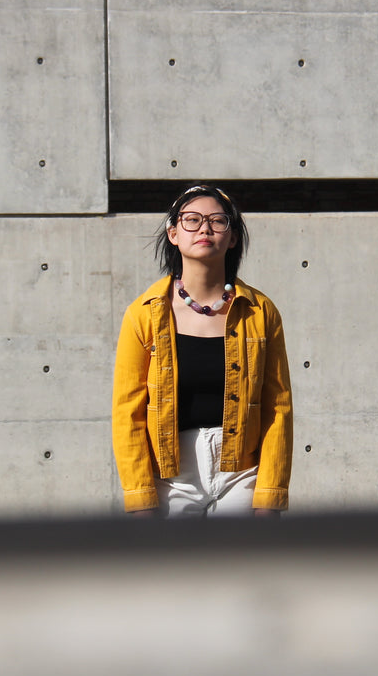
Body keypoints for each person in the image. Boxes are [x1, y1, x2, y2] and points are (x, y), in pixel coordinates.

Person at [112, 184, 293, 517]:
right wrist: (139, 499)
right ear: (173, 233)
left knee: (242, 568)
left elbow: (277, 408)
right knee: (174, 569)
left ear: (233, 237)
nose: (205, 228)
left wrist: (270, 496)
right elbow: (128, 412)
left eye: (218, 220)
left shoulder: (260, 311)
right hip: (171, 476)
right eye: (192, 220)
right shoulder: (143, 313)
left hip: (241, 473)